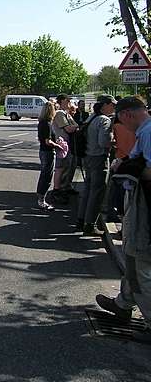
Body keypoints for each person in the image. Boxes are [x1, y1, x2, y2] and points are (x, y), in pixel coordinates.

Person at [96, 96, 151, 344]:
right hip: (138, 202)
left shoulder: (148, 133)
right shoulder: (145, 131)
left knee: (140, 264)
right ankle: (122, 304)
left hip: (144, 206)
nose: (122, 127)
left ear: (127, 114)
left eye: (122, 120)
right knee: (131, 256)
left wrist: (127, 167)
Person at [77, 94, 116, 235]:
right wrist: (113, 142)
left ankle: (81, 219)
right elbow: (103, 142)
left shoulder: (91, 117)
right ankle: (90, 224)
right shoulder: (104, 120)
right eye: (112, 104)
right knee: (97, 192)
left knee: (88, 190)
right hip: (98, 157)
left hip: (87, 156)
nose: (114, 107)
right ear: (105, 105)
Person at [50, 94, 79, 204]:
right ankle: (58, 191)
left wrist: (75, 126)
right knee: (62, 168)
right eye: (67, 101)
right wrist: (76, 127)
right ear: (61, 101)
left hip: (68, 144)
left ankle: (66, 187)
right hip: (62, 145)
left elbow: (74, 125)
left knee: (69, 166)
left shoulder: (66, 114)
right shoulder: (60, 114)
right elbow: (69, 129)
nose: (69, 103)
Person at [36, 101, 63, 211]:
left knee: (44, 174)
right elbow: (48, 141)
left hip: (42, 151)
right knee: (47, 176)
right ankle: (42, 200)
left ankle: (40, 198)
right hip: (47, 151)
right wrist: (58, 146)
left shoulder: (41, 122)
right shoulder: (47, 124)